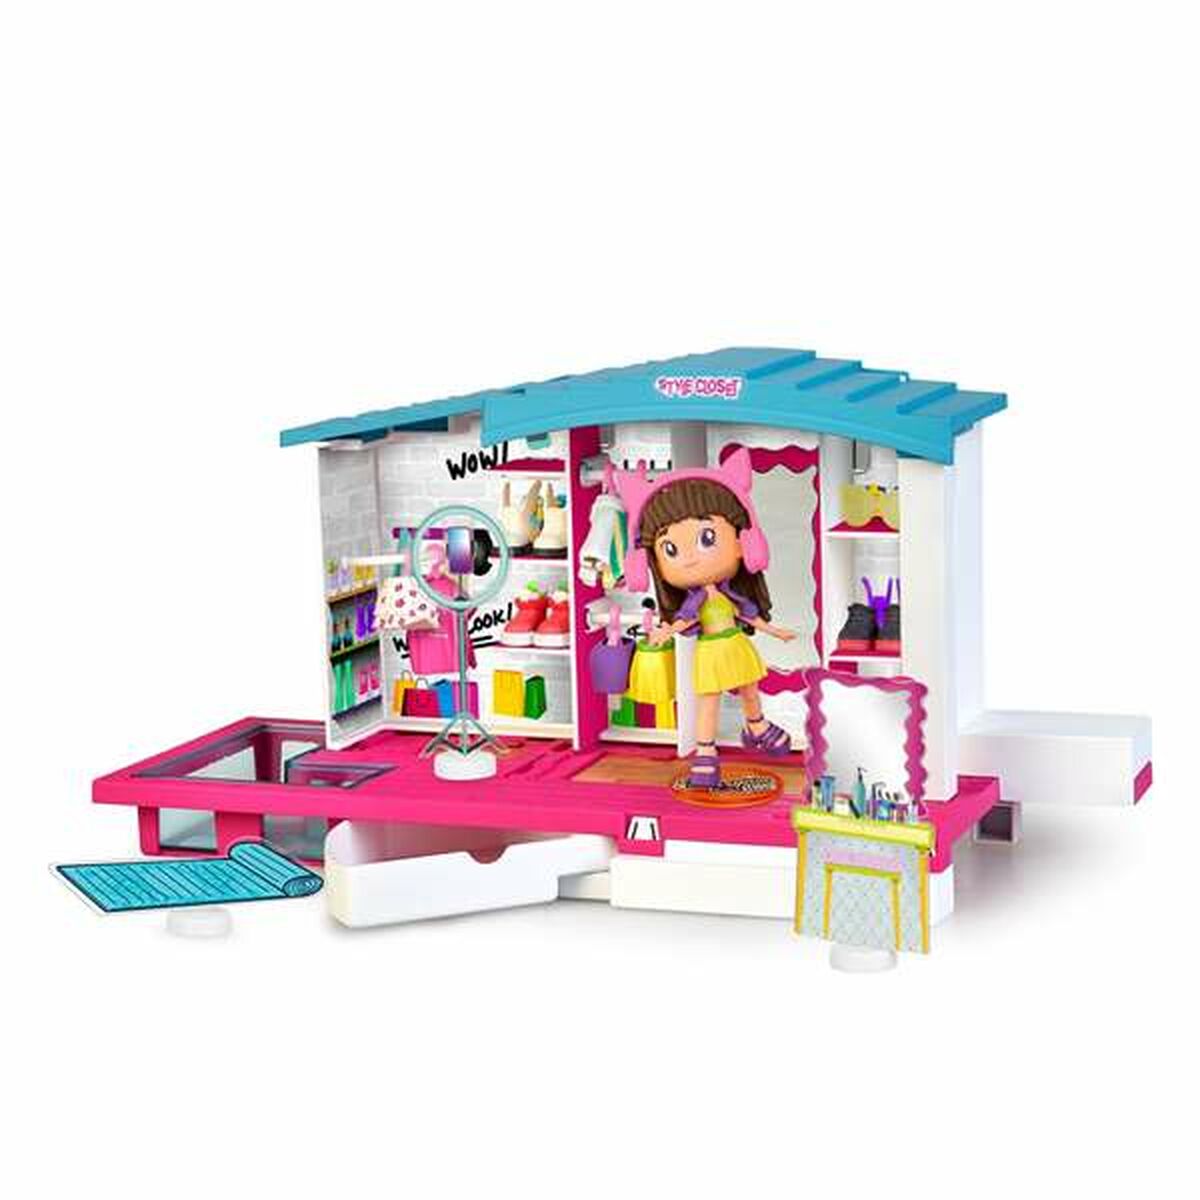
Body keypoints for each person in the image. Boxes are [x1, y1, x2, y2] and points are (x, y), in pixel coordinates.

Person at [614, 450, 795, 788]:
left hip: (736, 647)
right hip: (711, 652)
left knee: (750, 690)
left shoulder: (730, 595)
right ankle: (705, 751)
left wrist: (775, 631)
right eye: (671, 549)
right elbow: (685, 620)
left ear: (744, 545)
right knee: (709, 703)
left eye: (707, 538)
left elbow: (747, 615)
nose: (690, 560)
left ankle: (756, 726)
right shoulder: (696, 600)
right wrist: (666, 632)